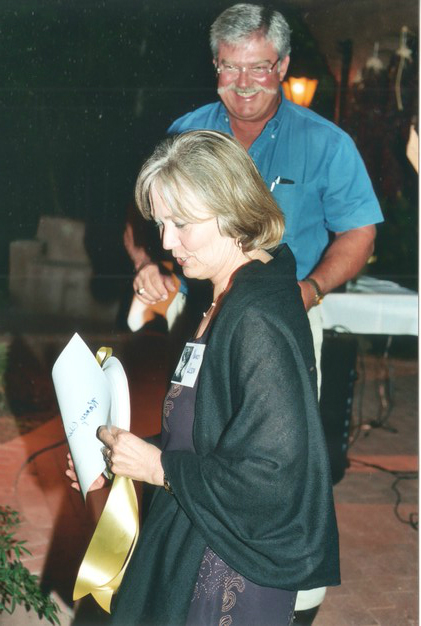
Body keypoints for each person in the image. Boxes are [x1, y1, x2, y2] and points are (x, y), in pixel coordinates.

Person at [68, 130, 340, 625]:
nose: (166, 242)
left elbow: (274, 477)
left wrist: (158, 468)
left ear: (231, 210)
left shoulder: (255, 317)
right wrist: (121, 456)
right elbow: (208, 436)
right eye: (160, 223)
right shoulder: (227, 295)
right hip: (203, 533)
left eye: (181, 223)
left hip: (232, 566)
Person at [128, 3, 383, 384]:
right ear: (215, 64)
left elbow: (360, 232)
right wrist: (145, 263)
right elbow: (140, 214)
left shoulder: (327, 144)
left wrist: (311, 290)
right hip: (195, 310)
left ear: (282, 66)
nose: (243, 82)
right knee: (186, 416)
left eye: (259, 67)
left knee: (278, 419)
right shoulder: (183, 133)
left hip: (285, 311)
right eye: (230, 66)